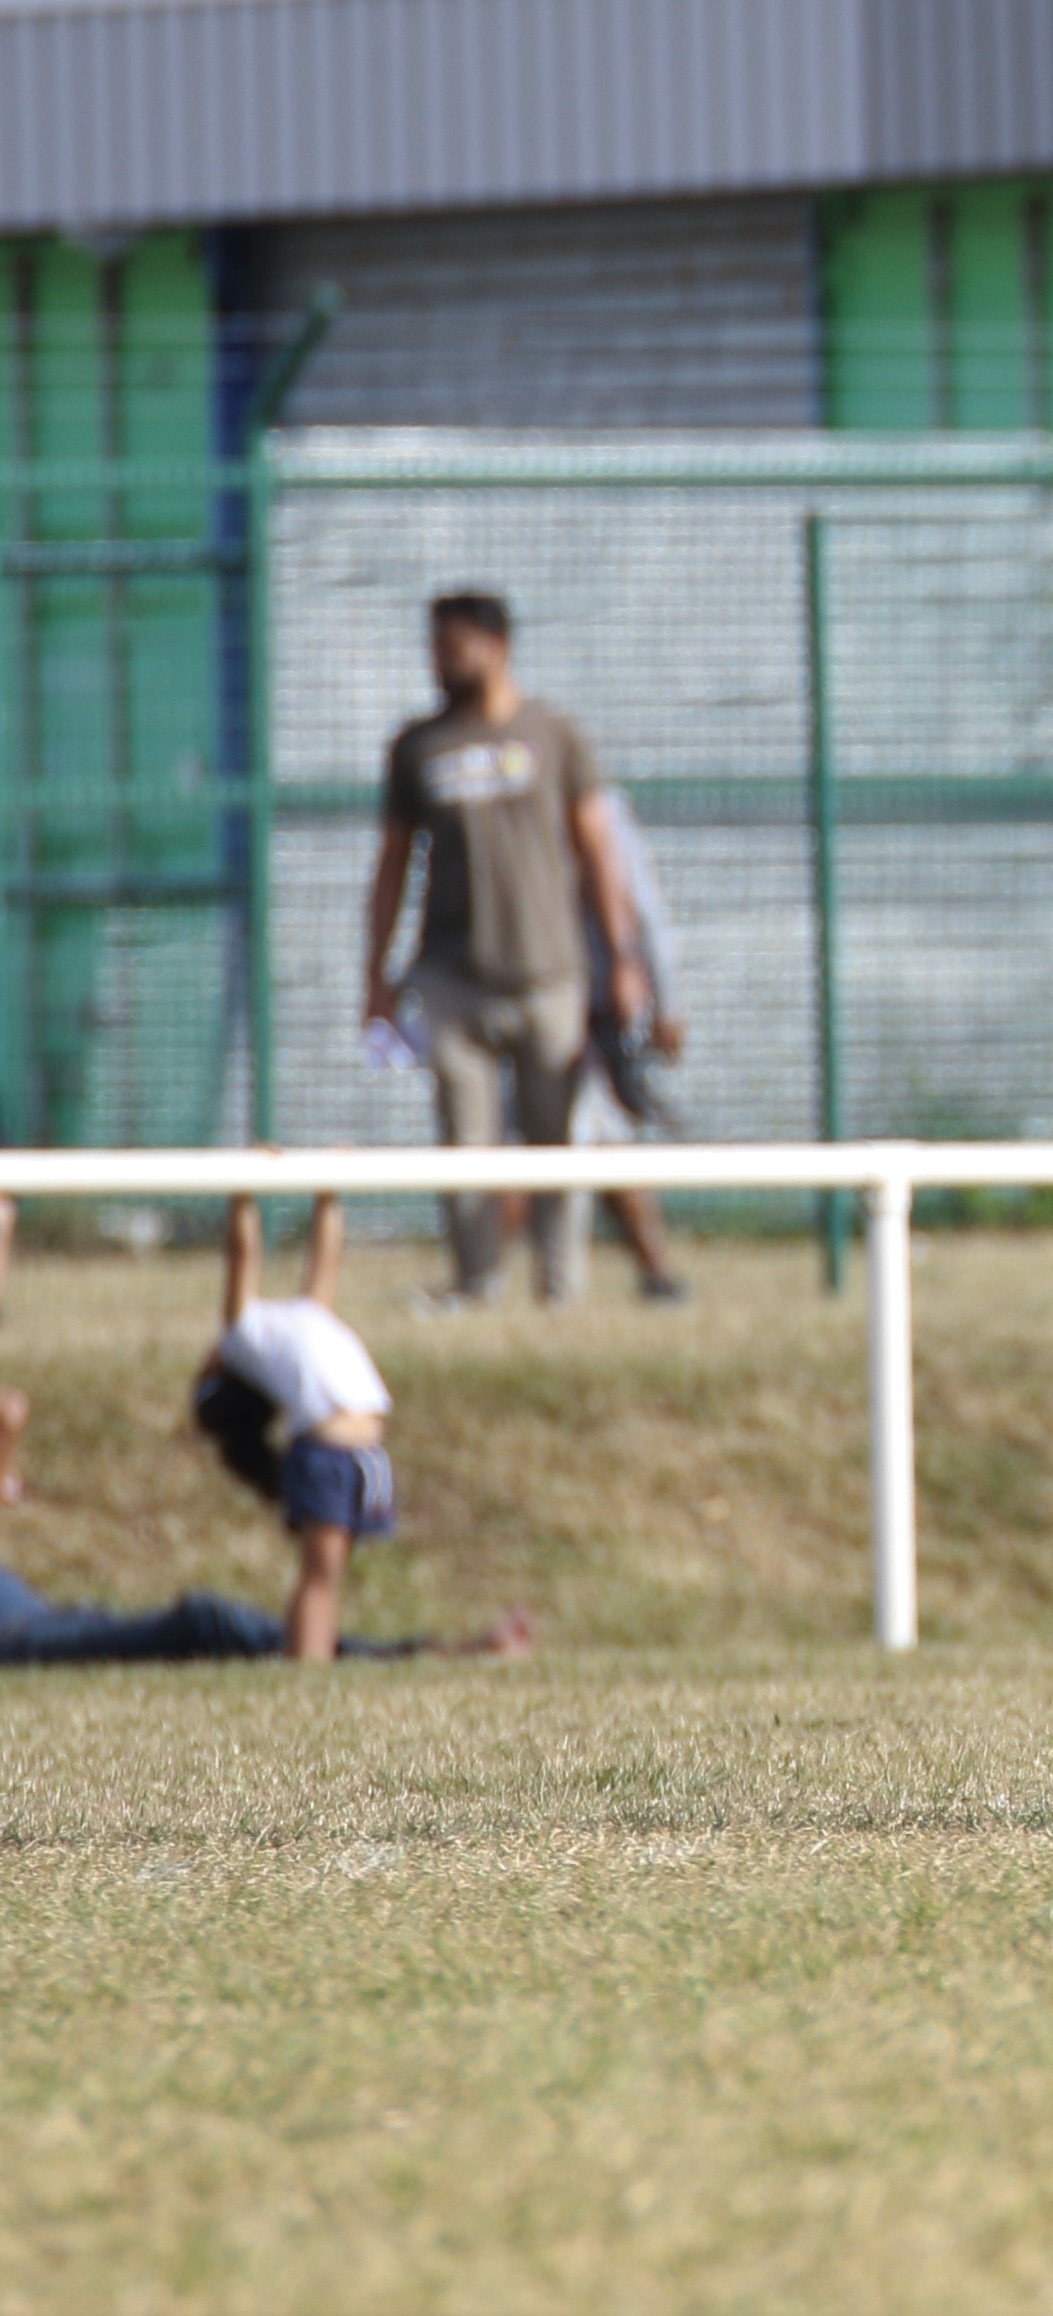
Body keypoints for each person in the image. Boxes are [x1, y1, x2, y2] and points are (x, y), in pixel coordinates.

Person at [362, 593, 649, 1306]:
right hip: (452, 978)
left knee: (558, 1140)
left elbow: (598, 850)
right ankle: (476, 1285)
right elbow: (393, 863)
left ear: (498, 647)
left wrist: (624, 960)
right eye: (435, 647)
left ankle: (561, 1291)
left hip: (550, 973)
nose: (441, 661)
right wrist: (376, 974)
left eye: (454, 646)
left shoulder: (553, 734)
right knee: (466, 1143)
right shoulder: (418, 746)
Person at [177, 1194, 531, 1662]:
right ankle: (308, 1663)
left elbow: (325, 1255)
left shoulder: (302, 1316)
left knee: (329, 1572)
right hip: (328, 1455)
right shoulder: (243, 1332)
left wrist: (329, 1194)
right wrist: (245, 1195)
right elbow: (244, 1253)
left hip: (364, 1454)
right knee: (321, 1572)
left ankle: (317, 1656)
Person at [573, 792, 693, 1304]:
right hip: (539, 1001)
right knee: (599, 1136)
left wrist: (666, 1002)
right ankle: (655, 1272)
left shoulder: (602, 811)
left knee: (603, 1134)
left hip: (596, 1009)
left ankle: (656, 1271)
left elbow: (644, 909)